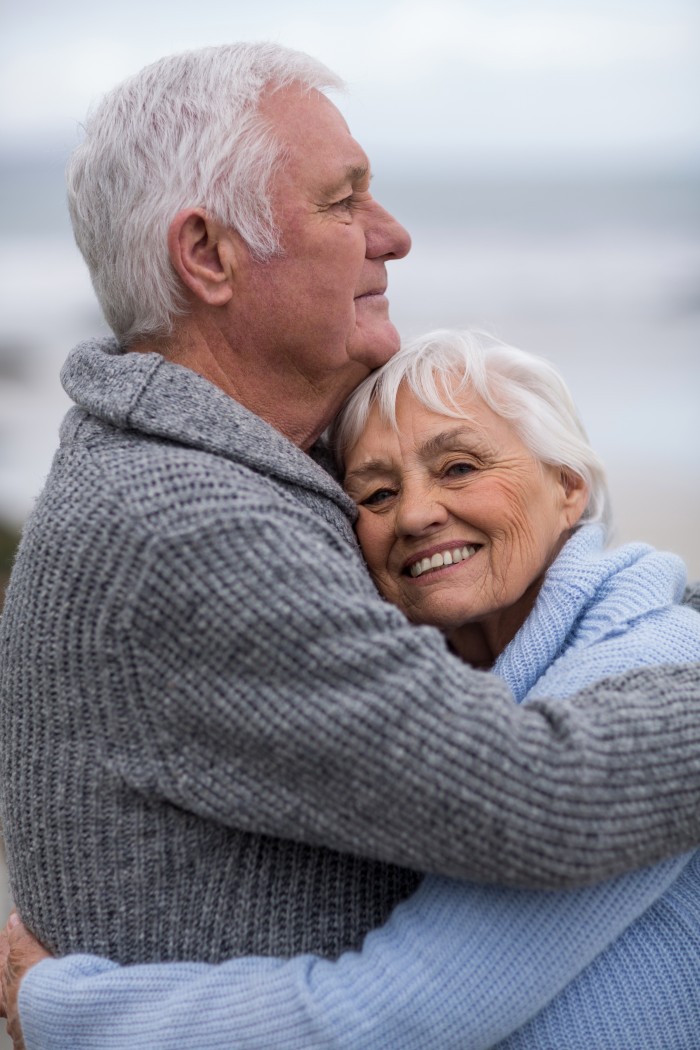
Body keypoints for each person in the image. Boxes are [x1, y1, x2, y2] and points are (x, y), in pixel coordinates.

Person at [2, 38, 700, 1044]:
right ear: (206, 256)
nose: (393, 234)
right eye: (342, 202)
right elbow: (529, 796)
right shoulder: (191, 529)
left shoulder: (220, 470)